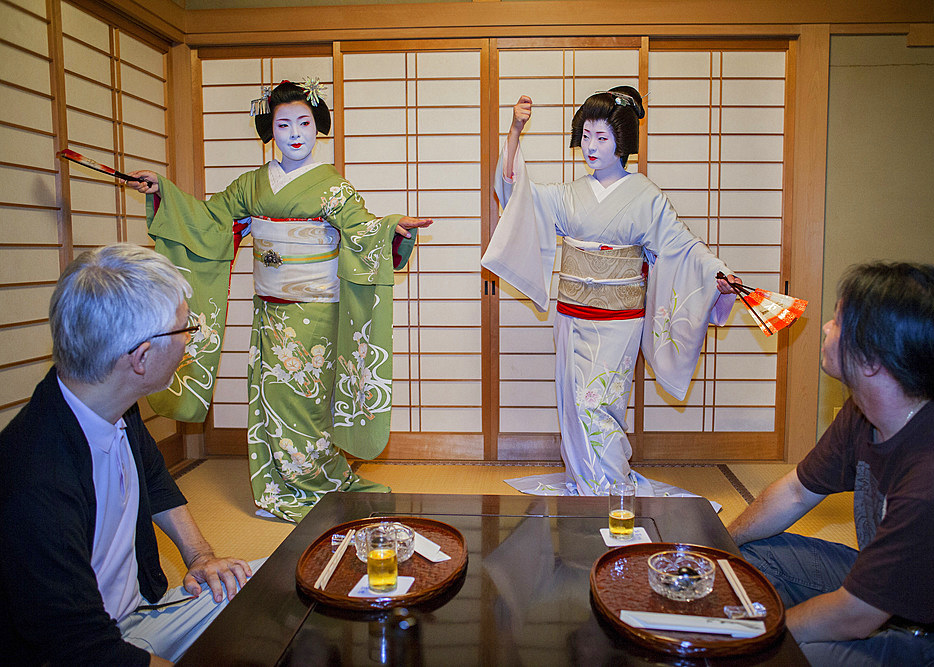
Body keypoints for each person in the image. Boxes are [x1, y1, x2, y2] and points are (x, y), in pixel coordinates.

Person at [127, 79, 432, 522]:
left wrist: (391, 227)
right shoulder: (250, 185)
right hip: (270, 308)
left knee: (309, 400)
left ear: (317, 128)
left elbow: (363, 229)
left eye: (304, 123)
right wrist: (162, 191)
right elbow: (208, 222)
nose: (294, 133)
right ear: (270, 130)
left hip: (318, 311)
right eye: (283, 123)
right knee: (271, 395)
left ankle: (314, 480)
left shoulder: (335, 189)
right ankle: (277, 482)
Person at [727, 262, 934, 665]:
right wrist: (720, 542)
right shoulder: (865, 409)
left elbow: (857, 615)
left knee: (796, 658)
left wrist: (762, 638)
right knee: (744, 562)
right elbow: (796, 491)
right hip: (883, 591)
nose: (824, 328)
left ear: (873, 358)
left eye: (837, 321)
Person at [0, 244, 256, 665]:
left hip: (138, 616)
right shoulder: (36, 479)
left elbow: (154, 481)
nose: (190, 339)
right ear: (141, 357)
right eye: (184, 328)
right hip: (89, 652)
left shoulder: (110, 400)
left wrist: (201, 558)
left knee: (276, 584)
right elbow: (84, 651)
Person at [482, 87, 741, 497]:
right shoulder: (568, 194)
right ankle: (587, 483)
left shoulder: (646, 197)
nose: (591, 146)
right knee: (573, 403)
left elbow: (682, 246)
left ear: (622, 143)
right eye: (585, 136)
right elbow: (516, 193)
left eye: (602, 138)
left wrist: (717, 275)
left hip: (619, 322)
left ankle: (608, 487)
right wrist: (514, 129)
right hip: (571, 317)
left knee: (598, 405)